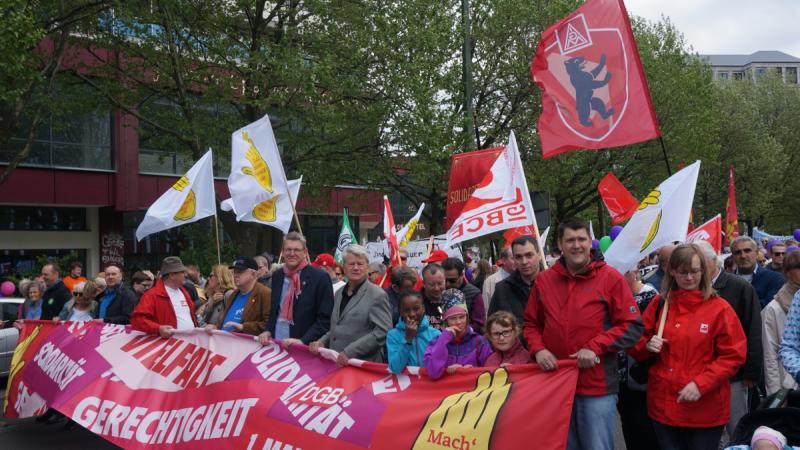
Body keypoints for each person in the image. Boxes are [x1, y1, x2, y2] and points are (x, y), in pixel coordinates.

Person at [524, 218, 643, 450]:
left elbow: (632, 326)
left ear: (591, 243)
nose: (576, 245)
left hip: (596, 385)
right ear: (560, 244)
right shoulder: (544, 281)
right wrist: (538, 349)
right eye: (570, 240)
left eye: (581, 239)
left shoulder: (611, 278)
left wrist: (596, 346)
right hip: (555, 382)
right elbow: (530, 324)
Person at [629, 244, 746, 450]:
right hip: (664, 404)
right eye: (683, 272)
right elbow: (635, 344)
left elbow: (733, 355)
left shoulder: (719, 308)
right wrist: (647, 346)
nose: (690, 278)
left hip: (705, 408)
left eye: (694, 271)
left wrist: (701, 384)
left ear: (704, 270)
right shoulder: (660, 304)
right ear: (672, 271)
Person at [694, 240, 762, 438]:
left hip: (735, 375)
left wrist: (751, 372)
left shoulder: (739, 287)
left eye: (699, 265)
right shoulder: (692, 289)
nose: (695, 271)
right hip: (703, 372)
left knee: (736, 427)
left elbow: (754, 330)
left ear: (713, 262)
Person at [309, 244, 392, 365]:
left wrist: (350, 352)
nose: (356, 268)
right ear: (344, 267)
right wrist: (322, 342)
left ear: (367, 268)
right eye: (351, 264)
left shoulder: (377, 295)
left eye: (360, 264)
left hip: (362, 365)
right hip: (336, 364)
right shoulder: (338, 293)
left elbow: (382, 331)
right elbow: (337, 328)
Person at [261, 232, 334, 347]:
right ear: (283, 252)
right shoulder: (277, 276)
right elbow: (275, 311)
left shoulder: (320, 277)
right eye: (288, 249)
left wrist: (303, 341)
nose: (292, 253)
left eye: (296, 250)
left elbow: (325, 319)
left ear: (305, 252)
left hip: (304, 349)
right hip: (277, 344)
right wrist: (268, 330)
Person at [617, 268, 661, 450]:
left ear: (633, 271)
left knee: (648, 432)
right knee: (630, 429)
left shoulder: (651, 297)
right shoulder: (614, 298)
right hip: (621, 378)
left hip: (643, 376)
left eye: (622, 271)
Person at [423, 289, 491, 379]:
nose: (458, 322)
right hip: (447, 392)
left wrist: (472, 370)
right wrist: (444, 339)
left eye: (462, 317)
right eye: (453, 318)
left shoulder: (480, 341)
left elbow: (490, 372)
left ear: (467, 317)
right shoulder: (435, 342)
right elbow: (433, 373)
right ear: (446, 321)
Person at [131, 256, 198, 337]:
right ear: (172, 275)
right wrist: (158, 328)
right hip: (168, 346)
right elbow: (137, 320)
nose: (185, 275)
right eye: (182, 272)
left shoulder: (184, 292)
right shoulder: (151, 295)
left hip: (189, 344)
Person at [763, 250, 800, 394]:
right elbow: (771, 353)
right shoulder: (774, 308)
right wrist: (775, 393)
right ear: (787, 272)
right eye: (798, 267)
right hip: (789, 384)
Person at [205, 257, 271, 336]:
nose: (235, 275)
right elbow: (224, 320)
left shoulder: (265, 293)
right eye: (235, 272)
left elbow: (269, 324)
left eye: (240, 271)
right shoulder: (233, 294)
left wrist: (244, 327)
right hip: (225, 343)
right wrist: (215, 326)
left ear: (253, 274)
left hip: (246, 346)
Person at [488, 235, 542, 327]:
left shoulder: (554, 284)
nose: (524, 261)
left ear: (539, 255)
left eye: (529, 255)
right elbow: (492, 326)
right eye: (518, 257)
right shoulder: (502, 289)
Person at [386, 290, 441, 374]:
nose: (412, 314)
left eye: (416, 308)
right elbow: (395, 368)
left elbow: (440, 365)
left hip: (429, 384)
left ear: (423, 308)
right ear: (400, 312)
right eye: (406, 310)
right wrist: (408, 339)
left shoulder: (435, 334)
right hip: (406, 385)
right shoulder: (393, 335)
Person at [731, 236, 784, 308]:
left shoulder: (775, 278)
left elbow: (768, 306)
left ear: (756, 253)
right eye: (737, 252)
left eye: (747, 251)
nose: (743, 256)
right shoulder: (726, 280)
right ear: (733, 256)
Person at [442, 257, 486, 334]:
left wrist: (460, 330)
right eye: (445, 280)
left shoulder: (474, 294)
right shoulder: (440, 291)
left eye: (452, 280)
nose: (447, 284)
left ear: (462, 275)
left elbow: (479, 324)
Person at [420, 263, 447, 330]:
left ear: (445, 281)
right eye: (432, 285)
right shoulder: (416, 303)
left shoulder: (452, 299)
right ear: (424, 284)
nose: (436, 288)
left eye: (440, 283)